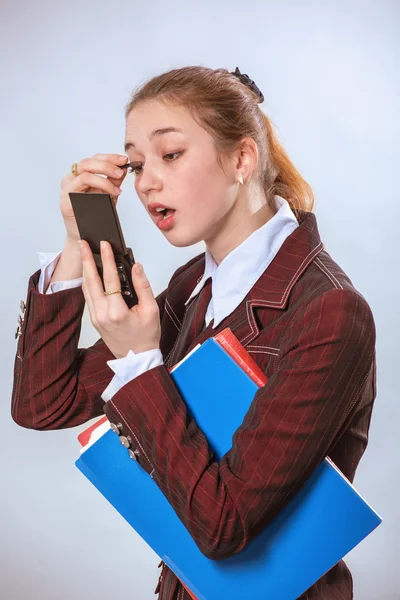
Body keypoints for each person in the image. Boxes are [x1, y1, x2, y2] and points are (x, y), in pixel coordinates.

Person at [11, 65, 377, 600]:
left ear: (241, 159)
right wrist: (77, 242)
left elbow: (225, 527)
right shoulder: (193, 287)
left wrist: (139, 360)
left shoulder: (331, 312)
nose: (146, 182)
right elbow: (43, 402)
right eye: (136, 164)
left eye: (171, 154)